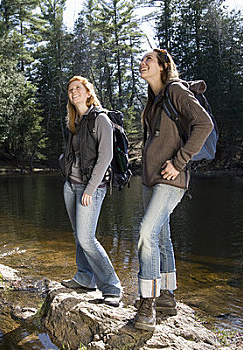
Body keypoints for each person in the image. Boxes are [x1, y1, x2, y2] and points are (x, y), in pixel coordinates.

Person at [134, 49, 213, 331]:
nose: (142, 63)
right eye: (141, 60)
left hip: (170, 178)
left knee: (146, 234)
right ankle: (167, 296)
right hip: (150, 180)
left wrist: (179, 162)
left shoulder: (175, 90)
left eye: (148, 60)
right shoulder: (154, 100)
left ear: (164, 66)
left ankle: (147, 303)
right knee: (161, 237)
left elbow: (204, 124)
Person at [59, 76, 122, 307]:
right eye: (70, 89)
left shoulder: (100, 119)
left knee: (87, 239)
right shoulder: (76, 121)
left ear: (88, 92)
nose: (73, 92)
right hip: (71, 185)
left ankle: (112, 288)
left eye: (78, 88)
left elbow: (106, 157)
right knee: (79, 236)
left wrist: (91, 188)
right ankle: (85, 278)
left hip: (90, 189)